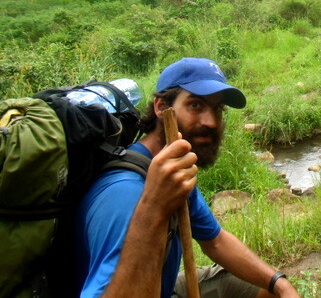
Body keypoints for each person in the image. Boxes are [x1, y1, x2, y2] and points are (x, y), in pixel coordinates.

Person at [74, 57, 300, 298]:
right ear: (161, 107)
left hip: (165, 287)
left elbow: (215, 241)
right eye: (195, 105)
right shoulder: (124, 193)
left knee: (269, 290)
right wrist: (154, 208)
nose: (211, 122)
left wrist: (280, 284)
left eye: (217, 109)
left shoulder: (172, 170)